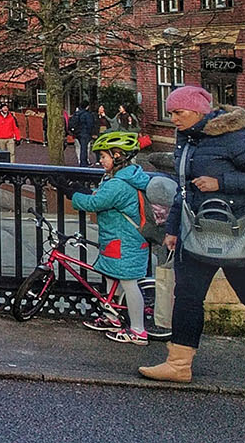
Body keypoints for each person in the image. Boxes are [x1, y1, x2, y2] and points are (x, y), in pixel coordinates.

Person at [139, 86, 245, 383]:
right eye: (171, 112)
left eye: (179, 112)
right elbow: (183, 189)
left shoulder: (236, 136)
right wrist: (173, 229)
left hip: (237, 233)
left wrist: (221, 182)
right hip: (196, 232)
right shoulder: (187, 140)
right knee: (187, 297)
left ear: (200, 112)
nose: (173, 118)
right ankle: (178, 365)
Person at [69, 131, 153, 345]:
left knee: (129, 283)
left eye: (104, 156)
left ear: (118, 156)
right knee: (111, 277)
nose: (100, 160)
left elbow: (95, 204)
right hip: (117, 238)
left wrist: (73, 194)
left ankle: (138, 330)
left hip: (126, 242)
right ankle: (112, 317)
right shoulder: (118, 177)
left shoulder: (119, 183)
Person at [70, 102, 99, 167]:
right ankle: (84, 163)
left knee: (79, 148)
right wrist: (91, 133)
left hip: (77, 133)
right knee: (84, 149)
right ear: (87, 106)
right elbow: (90, 124)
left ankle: (81, 161)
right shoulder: (87, 114)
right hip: (85, 133)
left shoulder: (76, 114)